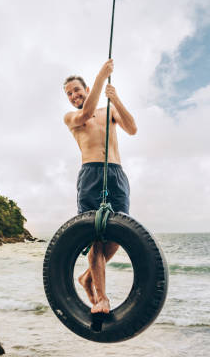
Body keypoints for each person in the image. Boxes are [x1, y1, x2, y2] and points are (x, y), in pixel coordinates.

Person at [63, 59, 137, 314]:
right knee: (95, 236)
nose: (74, 95)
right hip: (91, 174)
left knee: (118, 233)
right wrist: (100, 77)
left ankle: (87, 277)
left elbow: (132, 128)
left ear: (85, 89)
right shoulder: (72, 117)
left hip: (116, 173)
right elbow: (85, 114)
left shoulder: (108, 111)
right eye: (69, 93)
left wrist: (115, 99)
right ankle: (102, 298)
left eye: (76, 89)